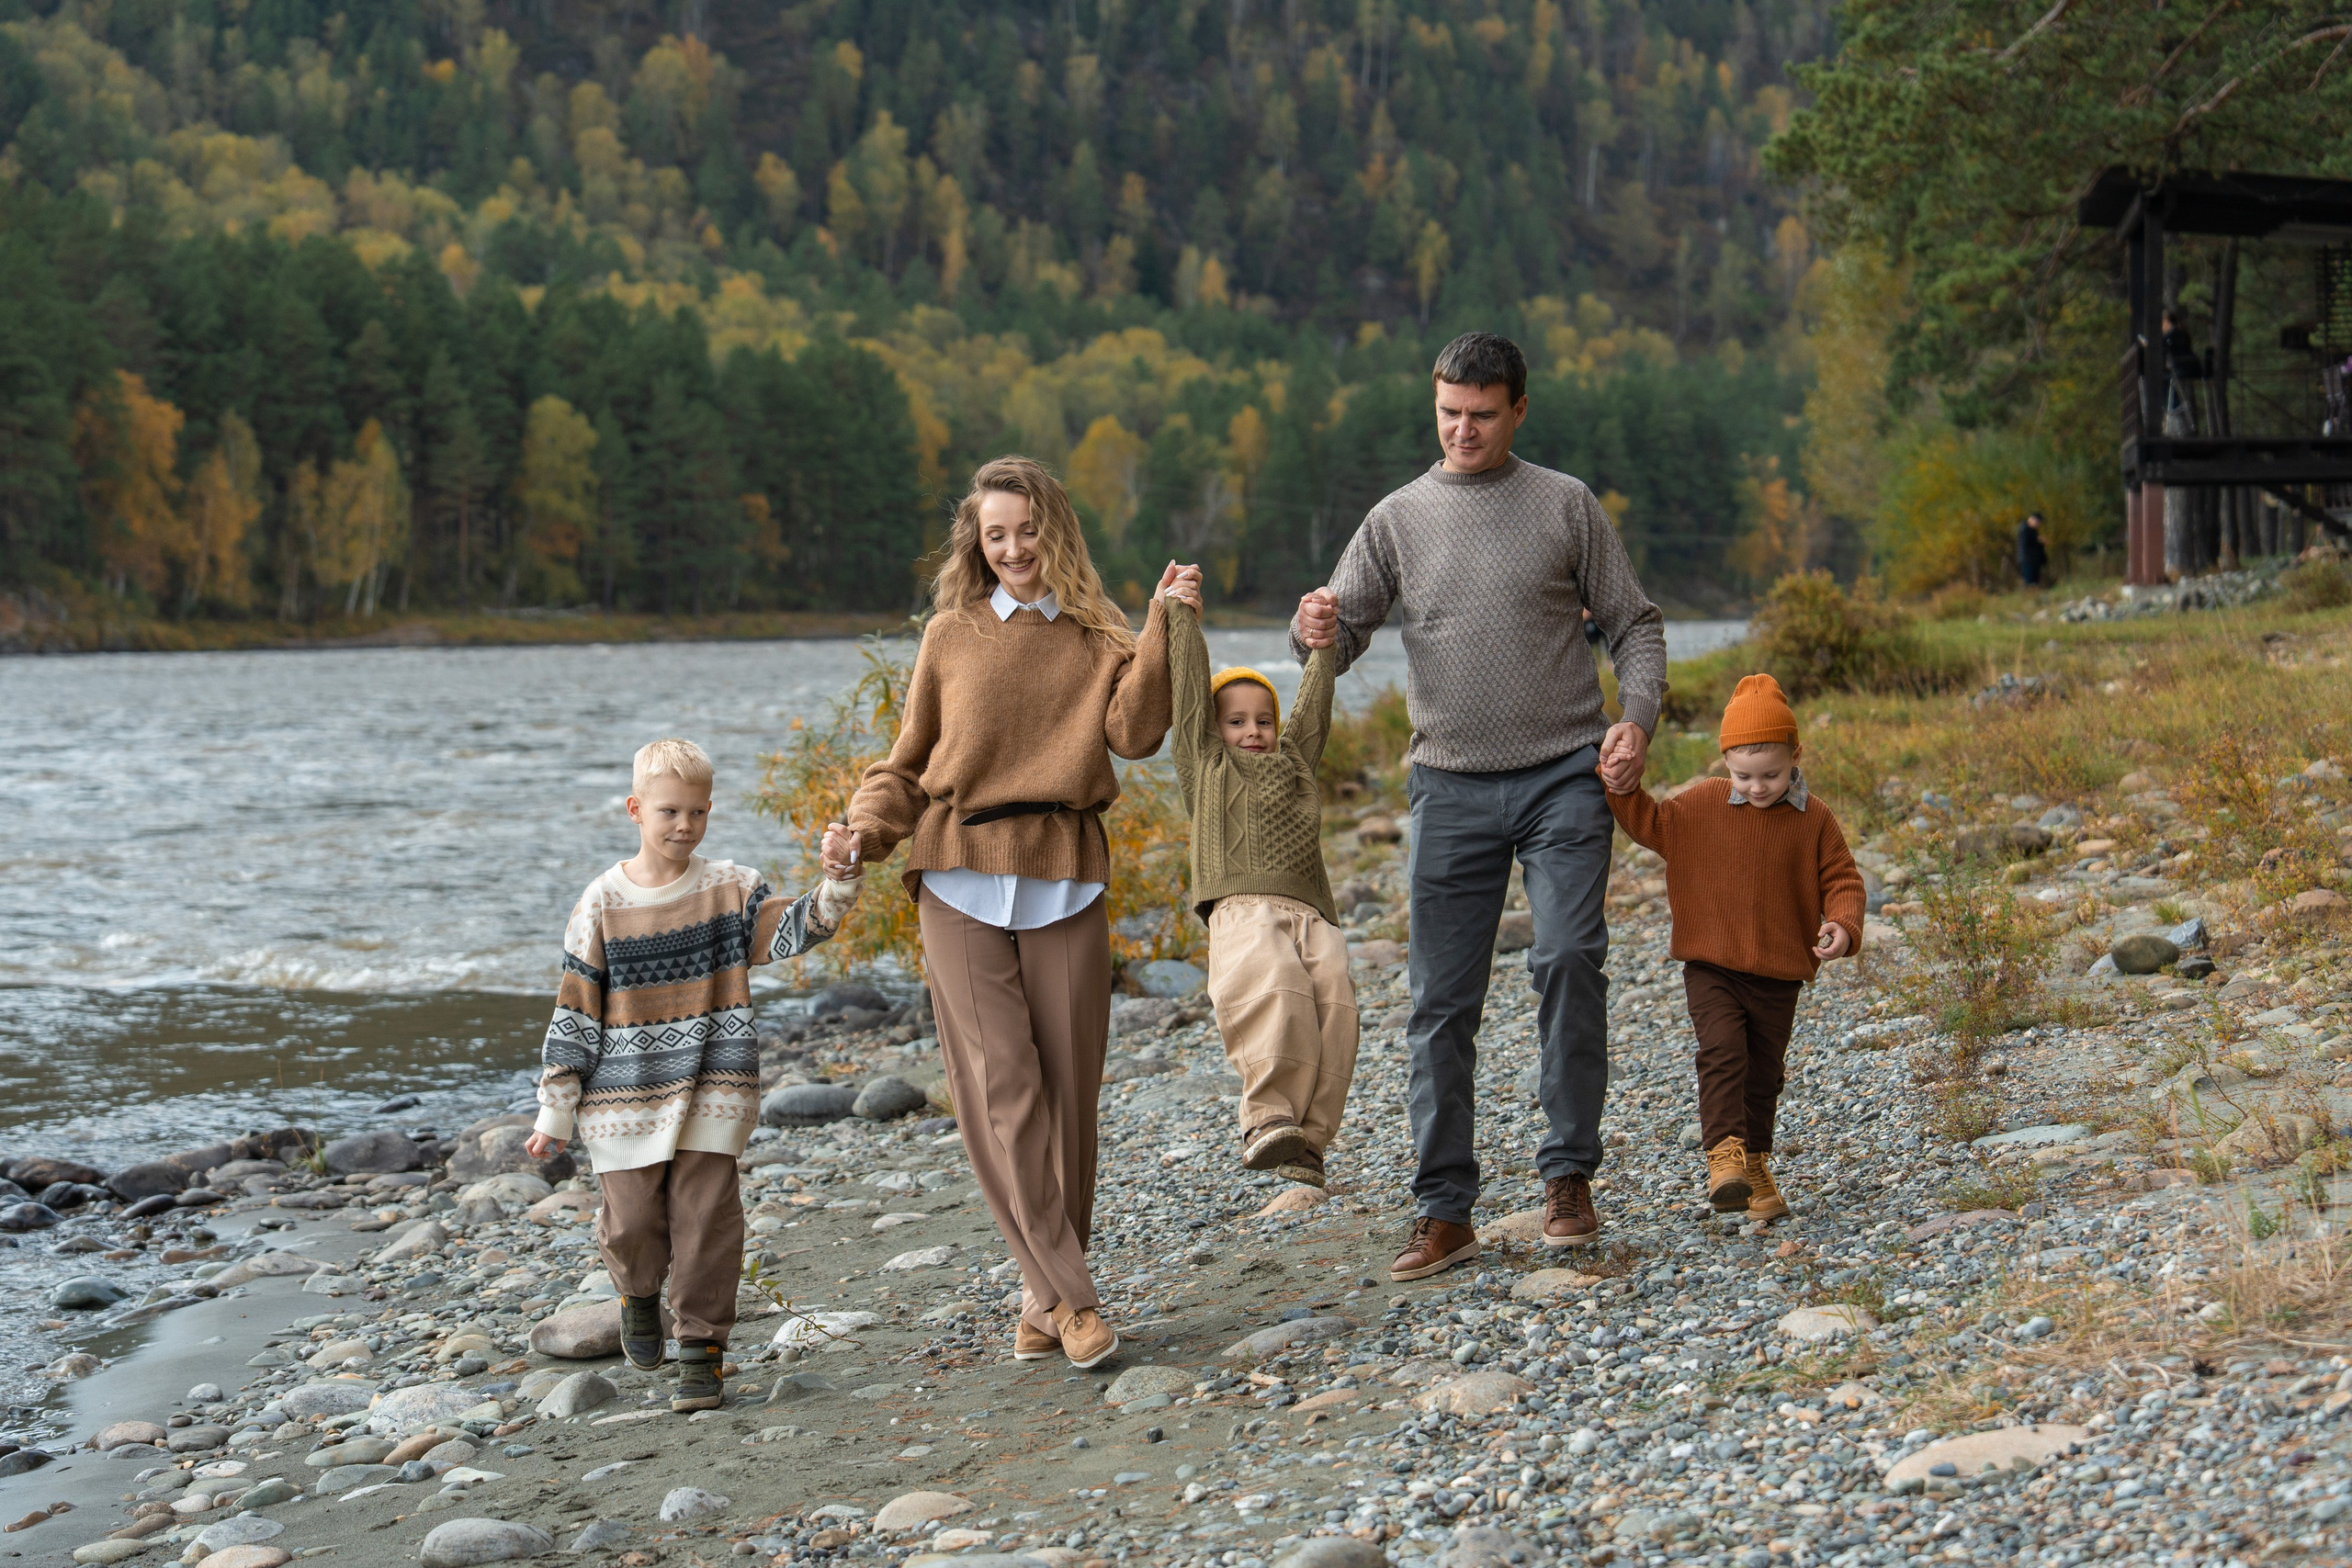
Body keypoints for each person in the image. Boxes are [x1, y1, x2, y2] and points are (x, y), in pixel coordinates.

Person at [1293, 331, 1668, 1282]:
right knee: (1438, 1003)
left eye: (1483, 415)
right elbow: (1335, 640)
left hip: (1563, 777)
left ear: (1519, 411)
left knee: (1568, 957)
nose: (1463, 431)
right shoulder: (1396, 518)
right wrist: (1311, 630)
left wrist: (1635, 720)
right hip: (1447, 785)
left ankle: (1567, 1178)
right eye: (1449, 414)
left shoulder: (1565, 504)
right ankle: (1444, 1210)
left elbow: (1634, 625)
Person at [849, 456, 1197, 1371]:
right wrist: (862, 831)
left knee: (1069, 1099)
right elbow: (908, 763)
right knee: (1000, 1088)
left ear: (1056, 531)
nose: (1012, 549)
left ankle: (1042, 1299)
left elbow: (1136, 735)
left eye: (1026, 530)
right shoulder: (950, 635)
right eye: (994, 534)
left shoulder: (1099, 632)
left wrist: (1163, 624)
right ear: (977, 541)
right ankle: (1074, 1301)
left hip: (1064, 873)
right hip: (956, 872)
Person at [526, 739, 864, 1411]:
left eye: (698, 812)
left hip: (715, 1087)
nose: (685, 825)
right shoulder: (601, 901)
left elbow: (797, 929)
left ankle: (702, 1351)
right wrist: (555, 1107)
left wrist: (839, 882)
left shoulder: (730, 888)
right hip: (622, 1099)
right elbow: (576, 1007)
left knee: (708, 1220)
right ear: (635, 809)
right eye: (669, 811)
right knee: (631, 1225)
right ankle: (637, 1294)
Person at [1602, 675, 1864, 1221]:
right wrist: (1622, 786)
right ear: (1725, 761)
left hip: (1778, 973)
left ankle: (1757, 1165)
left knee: (1764, 1074)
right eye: (1744, 776)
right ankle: (1724, 1157)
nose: (1758, 787)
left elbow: (1842, 878)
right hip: (1712, 965)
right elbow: (1650, 823)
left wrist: (1842, 924)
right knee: (1722, 1053)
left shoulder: (1813, 818)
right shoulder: (1701, 805)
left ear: (1795, 757)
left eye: (1771, 775)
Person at [1165, 594, 1357, 1189]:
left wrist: (1323, 649)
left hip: (1313, 912)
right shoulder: (1206, 763)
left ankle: (1309, 1141)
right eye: (1236, 721)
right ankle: (1267, 1116)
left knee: (1336, 1006)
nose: (1253, 730)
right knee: (1275, 986)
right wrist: (1181, 616)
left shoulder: (1295, 761)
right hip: (1243, 907)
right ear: (1214, 729)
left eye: (1263, 720)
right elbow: (1188, 690)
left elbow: (1314, 709)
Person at [2017, 512, 2048, 586]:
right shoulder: (2025, 529)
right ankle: (2030, 592)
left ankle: (2034, 591)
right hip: (2028, 559)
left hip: (2033, 559)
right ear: (2032, 519)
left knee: (2034, 581)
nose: (2039, 524)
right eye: (2038, 522)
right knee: (2029, 582)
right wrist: (2040, 540)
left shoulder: (2032, 530)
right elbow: (2028, 542)